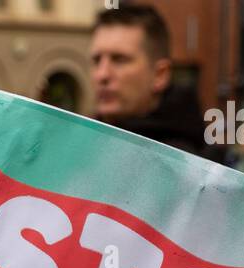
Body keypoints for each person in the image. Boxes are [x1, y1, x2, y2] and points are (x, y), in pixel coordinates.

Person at [88, 4, 212, 158]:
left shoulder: (186, 167)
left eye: (119, 59)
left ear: (160, 75)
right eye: (96, 60)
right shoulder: (80, 145)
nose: (102, 74)